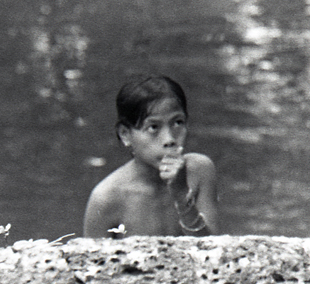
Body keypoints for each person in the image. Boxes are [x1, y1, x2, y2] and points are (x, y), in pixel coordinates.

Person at [82, 75, 219, 238]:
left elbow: (211, 252)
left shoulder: (200, 171)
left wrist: (183, 197)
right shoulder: (106, 198)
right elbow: (93, 261)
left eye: (178, 123)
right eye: (153, 127)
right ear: (125, 134)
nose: (169, 139)